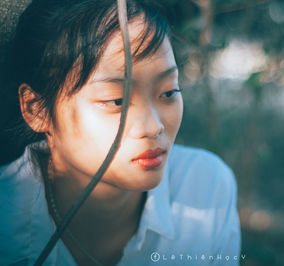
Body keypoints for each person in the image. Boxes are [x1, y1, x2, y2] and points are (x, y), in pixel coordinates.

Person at [0, 0, 241, 265]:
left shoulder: (205, 189)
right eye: (117, 101)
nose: (153, 127)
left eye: (169, 92)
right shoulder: (6, 223)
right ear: (36, 109)